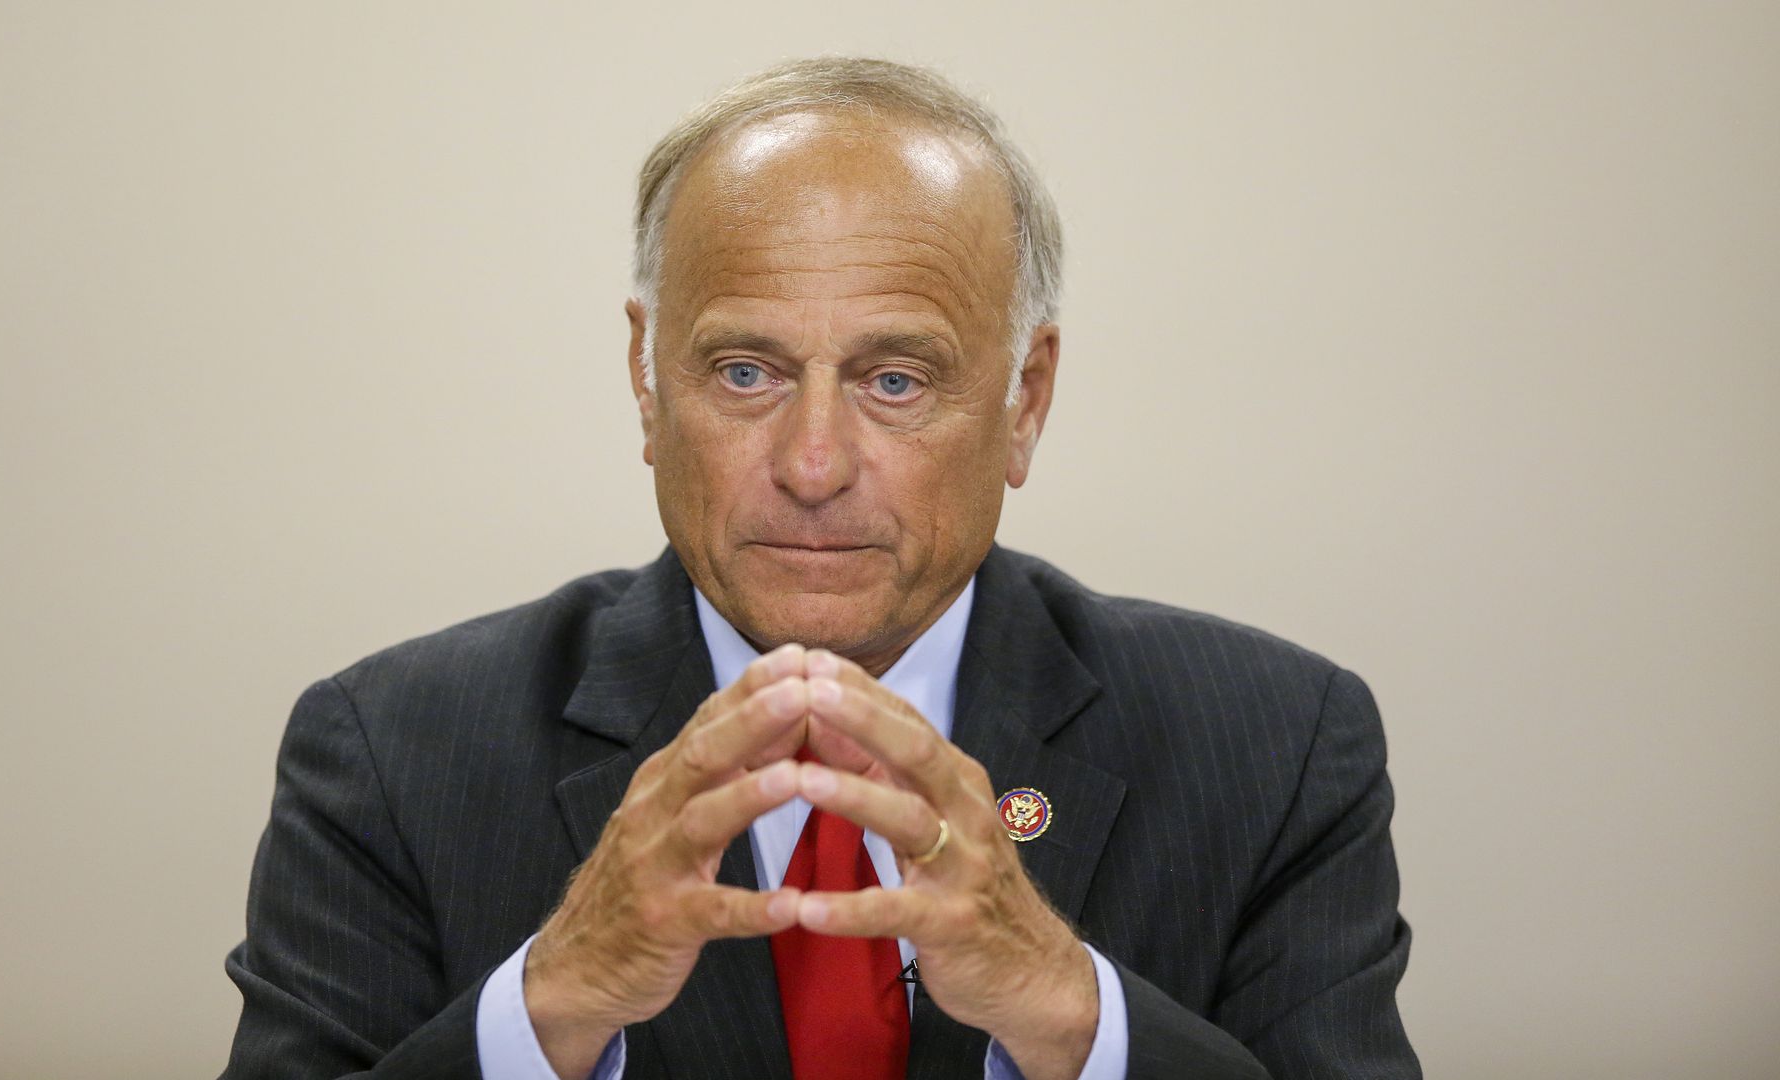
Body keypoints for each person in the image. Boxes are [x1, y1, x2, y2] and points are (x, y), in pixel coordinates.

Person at [223, 57, 1419, 1080]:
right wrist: (550, 1005)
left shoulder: (1276, 745)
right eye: (744, 371)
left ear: (1025, 403)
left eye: (895, 381)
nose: (810, 462)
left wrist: (1070, 1010)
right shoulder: (391, 750)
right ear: (648, 383)